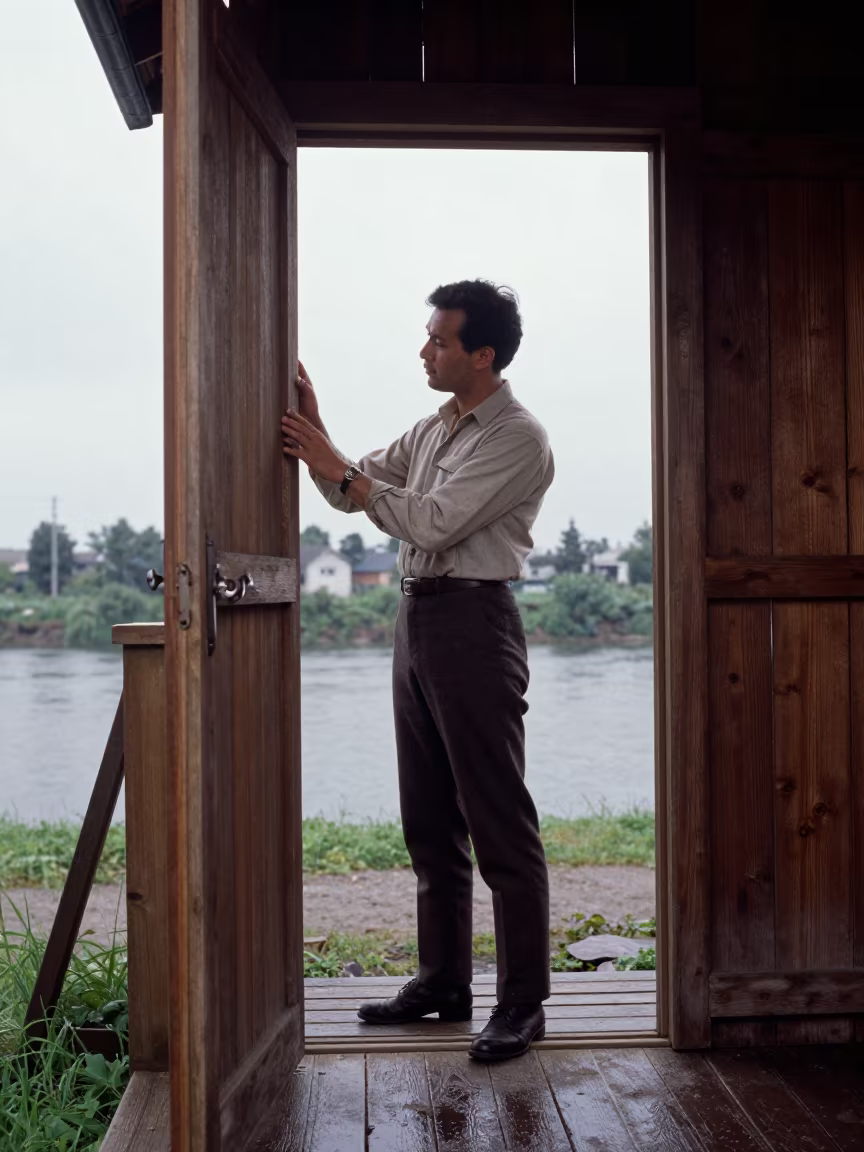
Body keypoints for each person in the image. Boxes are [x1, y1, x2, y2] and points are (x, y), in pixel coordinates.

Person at [281, 279, 554, 1062]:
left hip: (475, 621)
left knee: (500, 822)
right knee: (428, 820)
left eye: (439, 340)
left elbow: (429, 520)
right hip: (418, 618)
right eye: (427, 335)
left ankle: (523, 1004)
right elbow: (349, 493)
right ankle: (443, 984)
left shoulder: (517, 438)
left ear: (484, 355)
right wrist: (319, 434)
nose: (424, 350)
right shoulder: (434, 429)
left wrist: (343, 466)